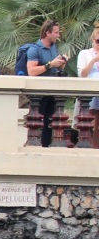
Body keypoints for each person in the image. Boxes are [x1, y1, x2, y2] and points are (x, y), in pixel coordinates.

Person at [27, 19, 69, 147]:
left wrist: (61, 63)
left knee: (50, 122)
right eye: (56, 32)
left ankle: (46, 145)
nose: (58, 35)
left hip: (53, 91)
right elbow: (31, 71)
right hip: (39, 93)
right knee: (39, 122)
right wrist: (50, 64)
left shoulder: (54, 47)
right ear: (47, 33)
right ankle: (35, 145)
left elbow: (55, 68)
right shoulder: (34, 49)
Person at [77, 27, 99, 148]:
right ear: (93, 40)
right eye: (98, 41)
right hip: (89, 92)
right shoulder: (85, 53)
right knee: (88, 120)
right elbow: (82, 74)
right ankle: (88, 146)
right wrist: (94, 60)